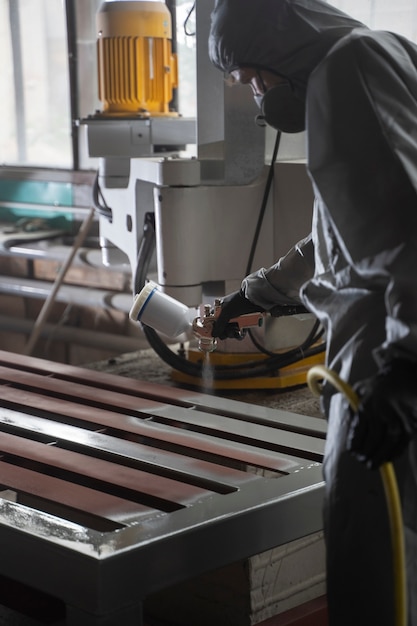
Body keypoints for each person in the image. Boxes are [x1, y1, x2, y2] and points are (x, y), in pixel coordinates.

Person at [208, 1, 417, 625]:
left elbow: (409, 226)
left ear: (279, 49)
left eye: (251, 78)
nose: (256, 95)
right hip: (383, 352)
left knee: (375, 562)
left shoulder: (347, 68)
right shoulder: (381, 54)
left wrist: (405, 370)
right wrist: (256, 294)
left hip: (384, 361)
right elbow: (336, 237)